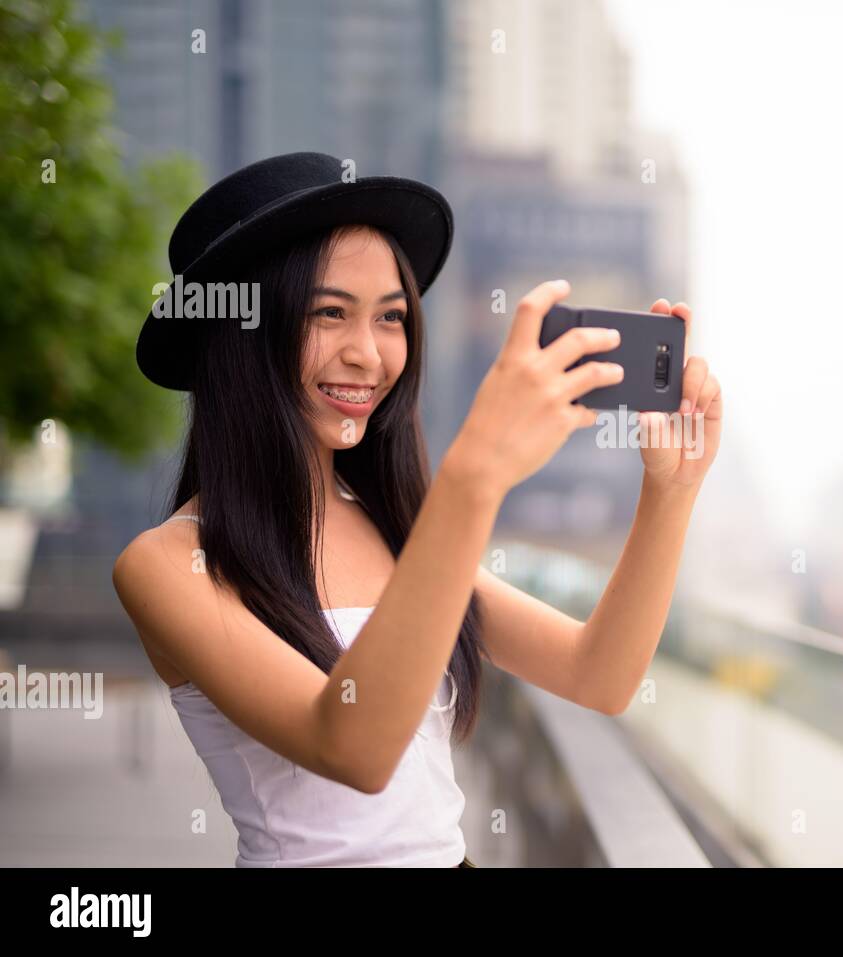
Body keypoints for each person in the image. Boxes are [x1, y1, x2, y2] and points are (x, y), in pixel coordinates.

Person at [111, 152, 722, 867]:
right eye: (330, 313)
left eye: (391, 317)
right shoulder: (167, 563)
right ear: (243, 335)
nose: (368, 354)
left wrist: (670, 492)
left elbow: (601, 674)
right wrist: (476, 473)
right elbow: (351, 745)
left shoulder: (392, 528)